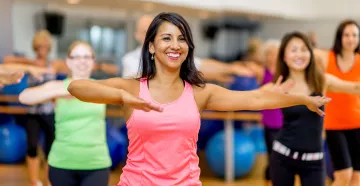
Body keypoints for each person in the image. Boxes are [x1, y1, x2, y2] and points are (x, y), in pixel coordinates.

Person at [67, 12, 330, 186]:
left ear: (188, 47)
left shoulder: (201, 93)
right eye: (166, 38)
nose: (175, 45)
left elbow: (257, 99)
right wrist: (123, 96)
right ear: (151, 46)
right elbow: (77, 87)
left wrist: (301, 99)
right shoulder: (132, 87)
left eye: (182, 39)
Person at [267, 31, 360, 186]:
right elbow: (254, 97)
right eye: (294, 50)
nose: (299, 54)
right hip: (283, 157)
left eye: (304, 49)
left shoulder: (321, 81)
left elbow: (354, 88)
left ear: (310, 53)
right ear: (284, 56)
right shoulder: (278, 85)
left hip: (314, 161)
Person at [19, 41, 112, 186]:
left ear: (93, 61)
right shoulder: (58, 87)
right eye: (77, 57)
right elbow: (24, 97)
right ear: (68, 61)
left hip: (97, 164)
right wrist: (64, 90)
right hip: (61, 164)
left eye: (87, 57)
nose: (82, 61)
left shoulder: (103, 87)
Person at [122, 14, 254, 83]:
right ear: (137, 35)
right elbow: (135, 81)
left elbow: (201, 65)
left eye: (181, 38)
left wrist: (232, 69)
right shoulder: (130, 60)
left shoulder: (173, 55)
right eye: (145, 31)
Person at [314, 20, 360, 186]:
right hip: (334, 125)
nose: (350, 39)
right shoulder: (328, 58)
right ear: (339, 37)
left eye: (354, 35)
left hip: (357, 123)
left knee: (357, 177)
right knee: (343, 175)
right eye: (346, 35)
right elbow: (309, 52)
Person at [234, 39, 282, 186]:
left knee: (283, 159)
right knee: (273, 157)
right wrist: (253, 48)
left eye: (274, 54)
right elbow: (243, 65)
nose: (271, 57)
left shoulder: (284, 72)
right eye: (268, 54)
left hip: (285, 122)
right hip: (269, 122)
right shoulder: (262, 72)